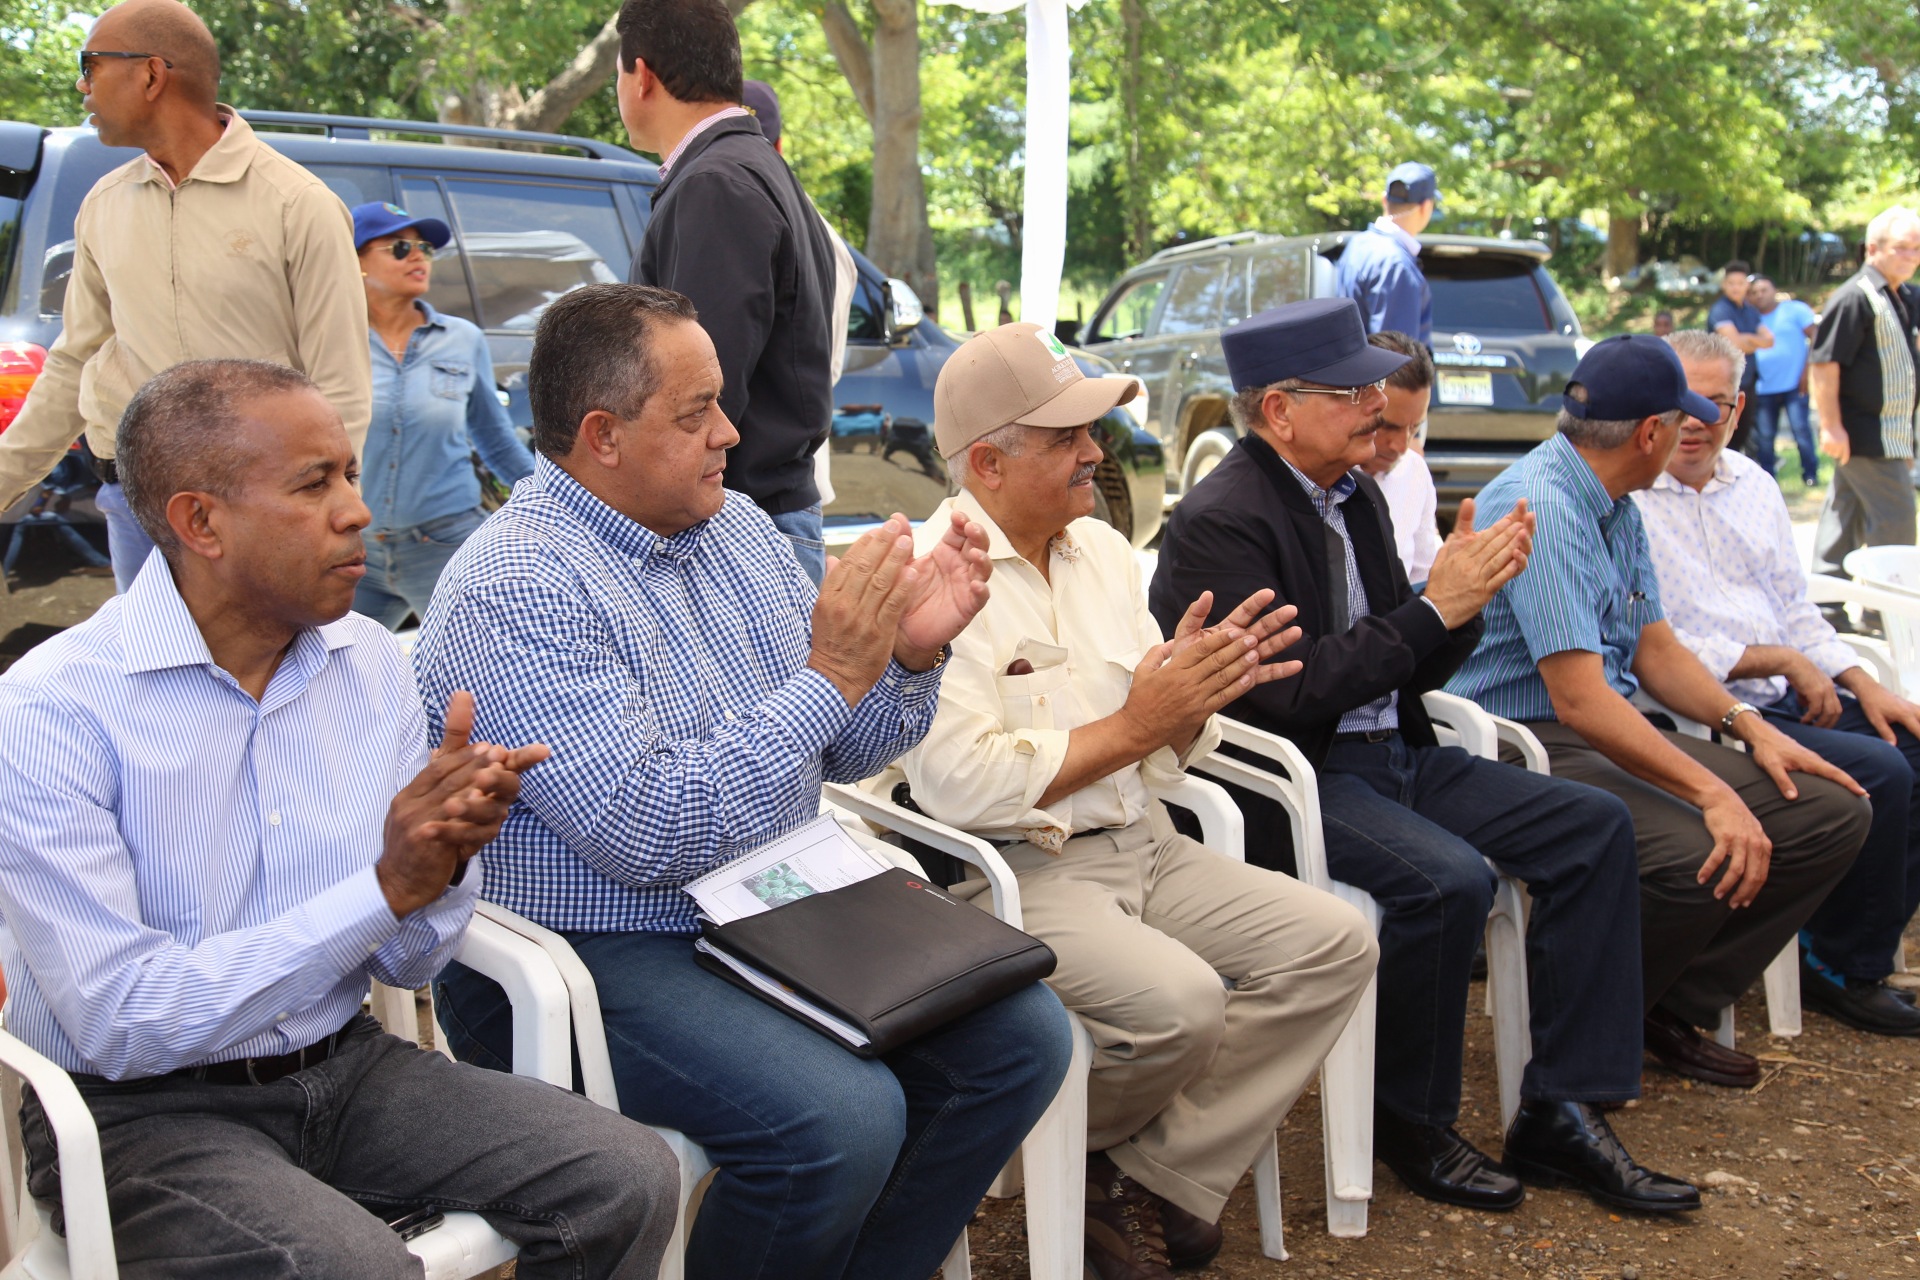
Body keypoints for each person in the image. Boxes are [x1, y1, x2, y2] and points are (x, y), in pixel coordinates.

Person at [415, 284, 1075, 1280]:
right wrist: (831, 677)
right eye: (696, 412)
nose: (729, 431)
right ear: (602, 436)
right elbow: (645, 831)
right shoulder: (516, 586)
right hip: (593, 947)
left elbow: (840, 750)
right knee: (841, 1121)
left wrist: (902, 656)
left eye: (720, 401)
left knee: (1021, 1039)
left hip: (765, 904)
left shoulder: (734, 530)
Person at [0, 358, 679, 1276]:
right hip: (135, 1114)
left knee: (627, 1175)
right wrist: (384, 888)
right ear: (201, 522)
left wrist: (441, 863)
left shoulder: (367, 662)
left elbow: (410, 963)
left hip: (344, 1066)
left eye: (351, 474)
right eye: (314, 483)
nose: (358, 511)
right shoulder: (54, 710)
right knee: (355, 1269)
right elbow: (120, 1022)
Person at [1153, 298, 1695, 1217]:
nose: (1377, 405)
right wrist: (1435, 608)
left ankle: (1564, 1107)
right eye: (1351, 392)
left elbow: (1405, 661)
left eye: (1374, 387)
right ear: (1279, 410)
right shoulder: (1222, 519)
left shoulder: (1356, 492)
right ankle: (1410, 1118)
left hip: (1393, 749)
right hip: (1298, 775)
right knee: (1447, 881)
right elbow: (1289, 693)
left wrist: (1466, 602)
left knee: (1594, 826)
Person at [895, 321, 1377, 1277]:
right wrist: (1139, 721)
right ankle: (1077, 1168)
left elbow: (1161, 751)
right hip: (1015, 874)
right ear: (988, 462)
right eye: (1069, 436)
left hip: (1146, 841)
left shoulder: (1104, 550)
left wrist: (1195, 699)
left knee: (1334, 944)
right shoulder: (931, 572)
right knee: (1181, 1006)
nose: (1095, 452)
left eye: (1092, 430)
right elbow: (958, 785)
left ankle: (1137, 1172)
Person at [1445, 335, 1869, 1091]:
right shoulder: (1545, 506)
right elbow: (1579, 699)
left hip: (1591, 725)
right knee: (1698, 847)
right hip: (1522, 741)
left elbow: (1656, 649)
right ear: (1650, 434)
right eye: (1681, 421)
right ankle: (1590, 1022)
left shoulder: (1613, 501)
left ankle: (1654, 1000)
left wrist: (1751, 728)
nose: (1688, 434)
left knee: (1828, 811)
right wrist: (1713, 791)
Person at [0, 0, 369, 591]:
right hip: (135, 508)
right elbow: (74, 362)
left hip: (257, 516)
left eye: (90, 65)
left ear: (151, 74)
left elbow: (340, 383)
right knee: (154, 655)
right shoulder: (103, 205)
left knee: (270, 654)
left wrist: (326, 516)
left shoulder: (297, 204)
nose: (82, 86)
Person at [1634, 330, 1920, 1035]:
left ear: (1738, 409)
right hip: (1707, 711)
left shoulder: (1755, 485)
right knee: (1881, 772)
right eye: (1681, 403)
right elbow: (1653, 645)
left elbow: (1796, 610)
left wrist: (1862, 681)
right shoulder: (1629, 497)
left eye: (1715, 403)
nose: (1695, 421)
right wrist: (1778, 661)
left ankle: (1846, 935)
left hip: (1790, 694)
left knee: (1909, 739)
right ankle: (1843, 967)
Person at [617, 0, 840, 581]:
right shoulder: (748, 166)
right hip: (755, 518)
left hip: (734, 528)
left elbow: (697, 394)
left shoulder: (716, 183)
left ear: (641, 76)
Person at [348, 200, 535, 628]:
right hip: (356, 550)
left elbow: (496, 441)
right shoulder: (335, 337)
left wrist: (557, 503)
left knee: (477, 663)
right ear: (355, 261)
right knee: (331, 663)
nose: (418, 257)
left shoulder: (462, 339)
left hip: (444, 544)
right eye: (400, 248)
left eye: (425, 249)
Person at [741, 77, 859, 584]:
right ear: (782, 144)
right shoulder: (821, 232)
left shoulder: (731, 198)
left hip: (768, 488)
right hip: (781, 481)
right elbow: (826, 365)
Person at [1810, 205, 1920, 584]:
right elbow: (1824, 364)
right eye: (1902, 248)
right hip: (1865, 433)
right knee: (1897, 520)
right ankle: (1887, 606)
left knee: (1844, 515)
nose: (1911, 257)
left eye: (1917, 249)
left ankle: (1827, 602)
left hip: (1889, 433)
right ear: (1873, 249)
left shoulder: (1902, 296)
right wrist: (1830, 426)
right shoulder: (1854, 298)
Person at [1361, 331, 1443, 583]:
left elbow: (1424, 577)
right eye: (1387, 426)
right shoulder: (1316, 476)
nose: (1401, 446)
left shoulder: (1414, 471)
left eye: (1415, 428)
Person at [1334, 161, 1438, 345]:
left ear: (1384, 200)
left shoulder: (1358, 245)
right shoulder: (1396, 264)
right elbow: (1397, 355)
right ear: (1426, 207)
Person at [1747, 276, 1821, 485]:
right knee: (1765, 436)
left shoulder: (1794, 310)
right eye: (1754, 292)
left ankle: (1810, 474)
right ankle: (1768, 478)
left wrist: (1807, 371)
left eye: (1764, 290)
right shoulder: (1749, 318)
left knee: (1801, 429)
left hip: (1794, 385)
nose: (1760, 295)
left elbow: (1816, 336)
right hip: (1763, 387)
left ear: (1774, 290)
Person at [1, 453, 114, 589]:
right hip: (83, 494)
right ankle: (101, 561)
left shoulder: (58, 470)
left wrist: (45, 501)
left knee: (25, 522)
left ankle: (101, 562)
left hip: (91, 498)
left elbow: (53, 487)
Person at [1707, 260, 1772, 456]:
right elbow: (1734, 343)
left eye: (1740, 283)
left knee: (1744, 431)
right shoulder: (1720, 310)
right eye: (1731, 283)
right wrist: (1752, 340)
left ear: (1747, 285)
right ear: (1724, 285)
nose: (1736, 288)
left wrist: (1746, 340)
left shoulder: (1750, 311)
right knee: (1725, 435)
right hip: (1725, 384)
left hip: (1748, 381)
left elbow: (1769, 340)